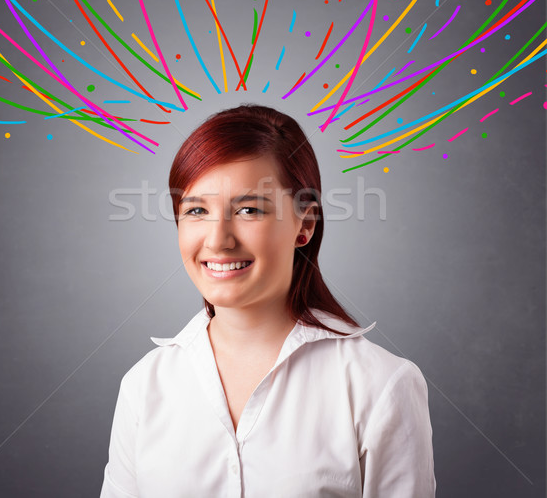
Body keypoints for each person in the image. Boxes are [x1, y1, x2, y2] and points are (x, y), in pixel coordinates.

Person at [100, 103, 436, 497]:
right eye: (196, 210)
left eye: (248, 209)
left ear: (304, 225)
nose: (218, 240)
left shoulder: (379, 385)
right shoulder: (145, 385)